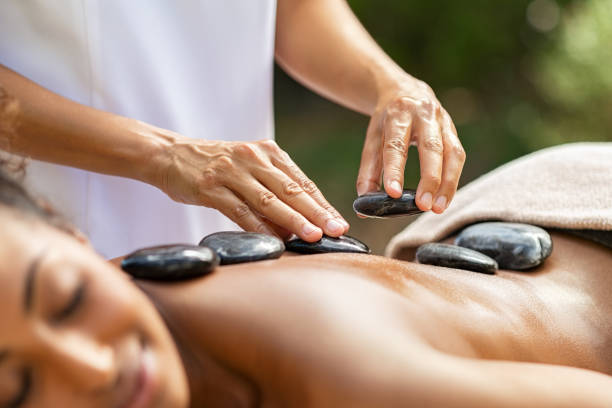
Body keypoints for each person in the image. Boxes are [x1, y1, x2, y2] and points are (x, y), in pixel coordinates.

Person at [1, 149, 612, 407]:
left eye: (67, 301)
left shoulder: (336, 368)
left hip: (583, 221)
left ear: (75, 240)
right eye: (19, 393)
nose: (93, 368)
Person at [0, 0, 465, 258]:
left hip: (244, 233)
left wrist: (389, 84)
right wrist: (164, 154)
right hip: (49, 238)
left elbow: (292, 8)